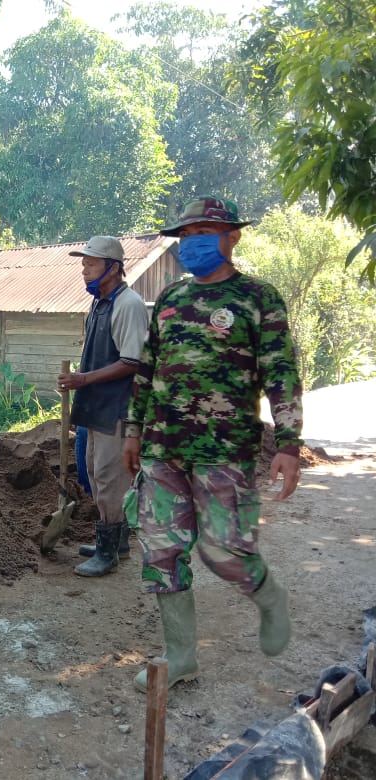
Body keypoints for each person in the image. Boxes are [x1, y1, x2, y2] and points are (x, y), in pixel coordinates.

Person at [122, 196, 303, 692]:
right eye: (186, 235)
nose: (193, 243)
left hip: (225, 451)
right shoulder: (172, 300)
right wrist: (134, 431)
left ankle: (269, 597)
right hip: (163, 449)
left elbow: (281, 373)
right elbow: (147, 369)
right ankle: (180, 656)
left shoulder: (258, 298)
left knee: (223, 552)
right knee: (162, 551)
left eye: (204, 232)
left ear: (232, 237)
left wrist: (289, 442)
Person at [58, 236, 148, 577]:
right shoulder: (98, 305)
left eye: (91, 264)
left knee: (111, 479)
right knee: (95, 474)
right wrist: (80, 380)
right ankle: (115, 541)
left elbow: (132, 362)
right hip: (95, 405)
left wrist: (83, 380)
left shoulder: (129, 305)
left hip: (117, 408)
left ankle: (109, 552)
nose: (84, 270)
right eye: (83, 264)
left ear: (114, 268)